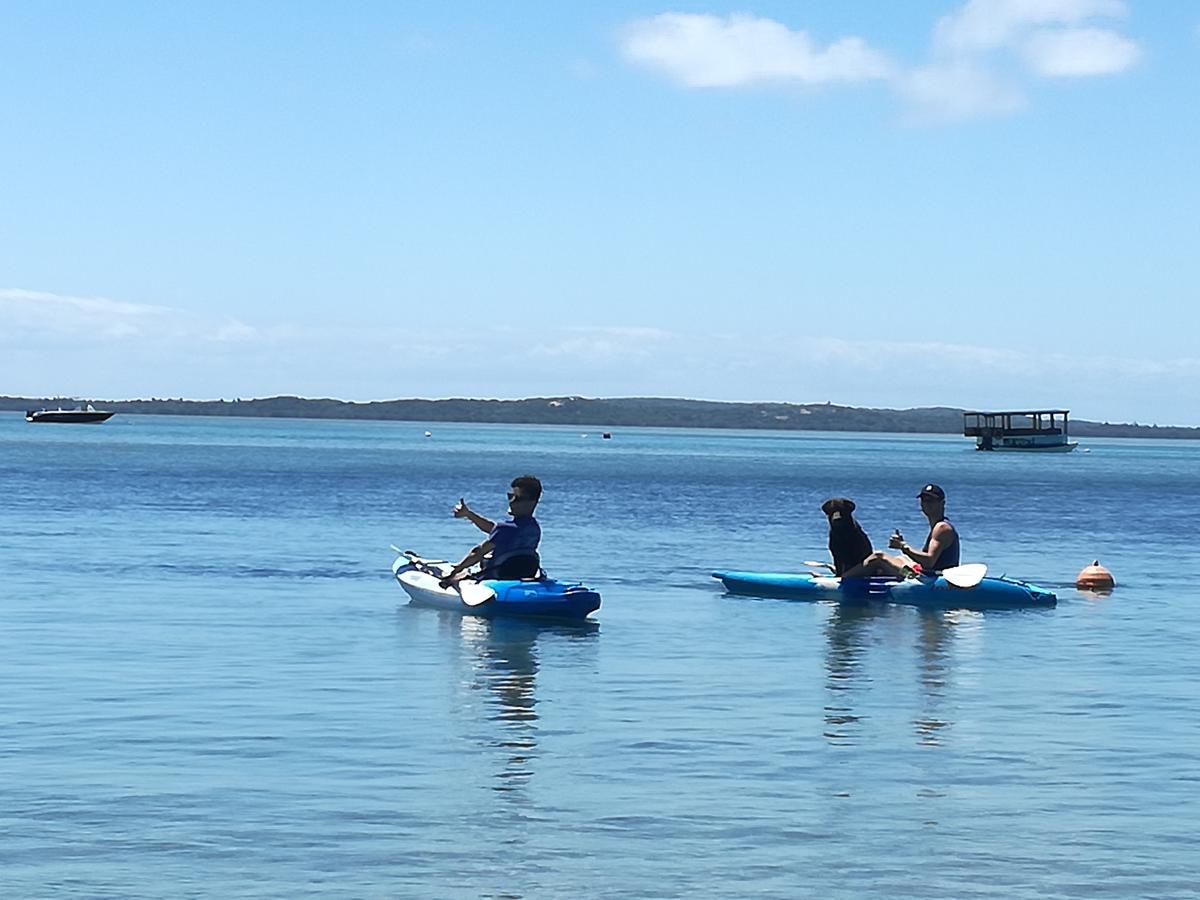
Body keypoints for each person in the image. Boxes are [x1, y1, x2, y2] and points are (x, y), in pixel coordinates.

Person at [440, 475, 542, 586]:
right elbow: (496, 531)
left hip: (496, 576)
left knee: (457, 577)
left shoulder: (505, 529)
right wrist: (468, 514)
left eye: (516, 498)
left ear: (532, 502)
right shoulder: (534, 528)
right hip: (522, 575)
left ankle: (455, 579)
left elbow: (478, 553)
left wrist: (455, 570)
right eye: (510, 496)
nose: (511, 501)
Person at [845, 483, 960, 578]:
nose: (927, 503)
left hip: (923, 578)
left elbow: (929, 562)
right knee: (900, 559)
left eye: (931, 500)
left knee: (879, 557)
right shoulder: (938, 526)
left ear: (942, 503)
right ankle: (869, 575)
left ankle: (842, 579)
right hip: (927, 574)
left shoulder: (942, 528)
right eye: (924, 500)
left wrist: (903, 547)